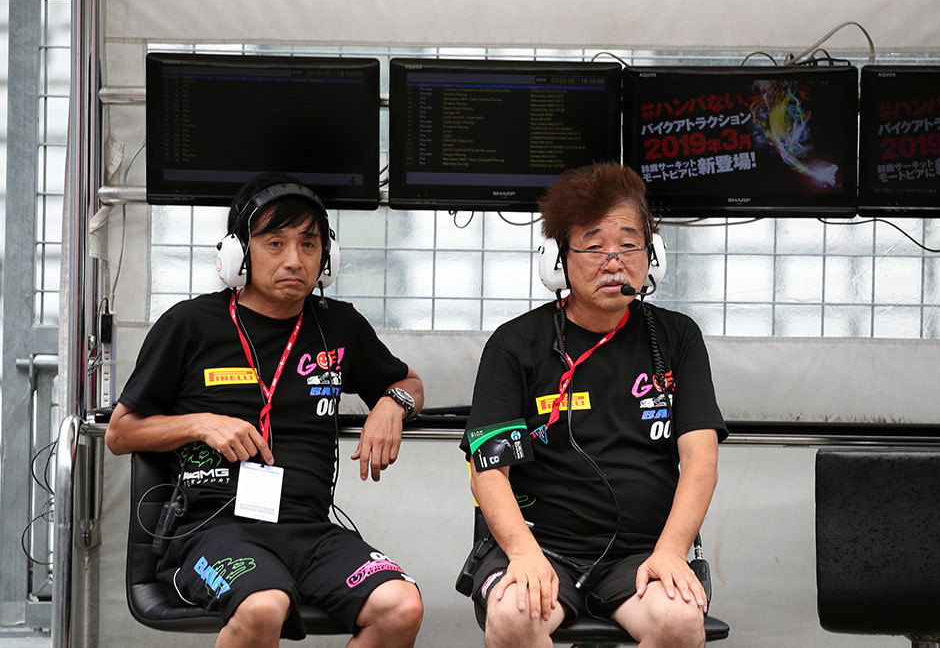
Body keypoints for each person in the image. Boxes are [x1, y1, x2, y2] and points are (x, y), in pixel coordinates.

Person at [106, 172, 424, 647]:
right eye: (275, 243)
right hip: (213, 531)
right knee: (263, 604)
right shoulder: (189, 325)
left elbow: (409, 383)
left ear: (327, 258)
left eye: (309, 244)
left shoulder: (340, 326)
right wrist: (201, 424)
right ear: (239, 253)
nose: (294, 260)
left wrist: (392, 404)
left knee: (401, 606)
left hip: (309, 530)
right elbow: (120, 433)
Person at [460, 163, 727, 648]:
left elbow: (700, 460)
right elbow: (489, 469)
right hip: (539, 546)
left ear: (653, 256)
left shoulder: (678, 338)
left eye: (628, 244)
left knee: (678, 620)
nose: (613, 261)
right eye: (592, 245)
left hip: (642, 554)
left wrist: (672, 551)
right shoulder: (515, 345)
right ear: (557, 259)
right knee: (515, 616)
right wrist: (522, 552)